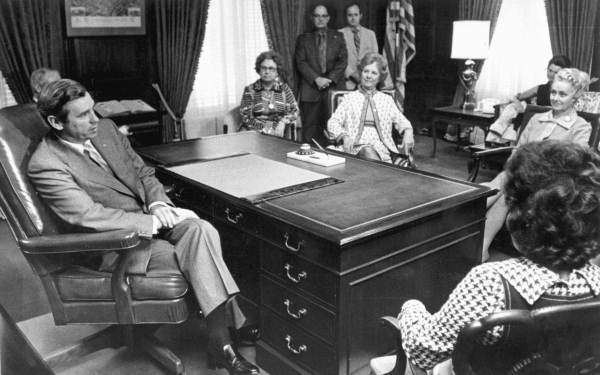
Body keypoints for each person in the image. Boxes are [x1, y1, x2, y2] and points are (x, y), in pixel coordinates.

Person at [27, 79, 260, 375]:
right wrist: (151, 222)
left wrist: (160, 206)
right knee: (196, 252)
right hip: (115, 245)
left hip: (149, 220)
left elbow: (143, 173)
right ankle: (225, 341)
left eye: (93, 109)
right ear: (55, 122)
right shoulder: (47, 164)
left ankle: (221, 338)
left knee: (202, 229)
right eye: (83, 115)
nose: (95, 119)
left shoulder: (106, 130)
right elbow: (89, 216)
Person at [398, 140, 600, 375]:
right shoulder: (596, 281)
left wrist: (411, 308)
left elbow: (423, 352)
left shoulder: (491, 282)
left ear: (521, 220)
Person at [481, 67, 592, 259]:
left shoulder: (580, 126)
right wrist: (516, 166)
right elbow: (518, 150)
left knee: (501, 188)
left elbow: (574, 163)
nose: (556, 98)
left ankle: (467, 216)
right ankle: (481, 246)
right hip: (517, 174)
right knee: (504, 189)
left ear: (575, 97)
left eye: (563, 94)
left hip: (549, 183)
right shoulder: (536, 119)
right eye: (554, 92)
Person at [326, 52, 414, 163]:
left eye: (374, 73)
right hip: (354, 147)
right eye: (366, 71)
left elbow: (402, 121)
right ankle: (385, 176)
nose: (368, 76)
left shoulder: (386, 100)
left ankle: (382, 176)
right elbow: (333, 122)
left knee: (370, 152)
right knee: (367, 150)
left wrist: (408, 131)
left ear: (380, 77)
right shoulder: (349, 98)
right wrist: (344, 136)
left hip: (381, 149)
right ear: (361, 73)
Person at [295, 4, 347, 144]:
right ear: (312, 18)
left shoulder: (338, 36)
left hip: (333, 90)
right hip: (311, 89)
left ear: (328, 18)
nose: (320, 19)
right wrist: (317, 79)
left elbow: (343, 62)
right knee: (309, 131)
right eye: (317, 16)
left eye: (323, 16)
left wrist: (329, 80)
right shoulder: (303, 39)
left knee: (334, 130)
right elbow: (301, 62)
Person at [239, 51, 299, 137]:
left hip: (280, 131)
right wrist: (267, 128)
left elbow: (294, 111)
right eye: (264, 68)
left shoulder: (285, 89)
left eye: (271, 68)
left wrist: (283, 122)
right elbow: (246, 117)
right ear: (259, 70)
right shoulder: (250, 90)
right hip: (256, 133)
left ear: (277, 71)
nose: (267, 72)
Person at [338, 3, 378, 90]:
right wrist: (351, 74)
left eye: (356, 15)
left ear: (361, 16)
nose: (353, 18)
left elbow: (375, 58)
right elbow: (338, 59)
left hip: (367, 81)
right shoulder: (339, 34)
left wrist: (365, 75)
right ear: (346, 17)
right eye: (350, 15)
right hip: (347, 83)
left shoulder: (370, 34)